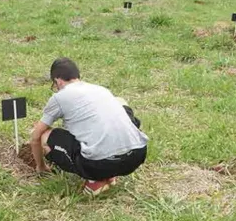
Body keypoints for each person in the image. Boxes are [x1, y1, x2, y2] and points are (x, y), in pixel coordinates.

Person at [29, 58, 148, 196]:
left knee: (45, 136)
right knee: (120, 102)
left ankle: (95, 180)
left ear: (58, 81)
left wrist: (41, 167)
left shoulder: (59, 97)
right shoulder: (100, 89)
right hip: (136, 156)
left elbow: (35, 137)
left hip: (100, 165)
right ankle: (111, 173)